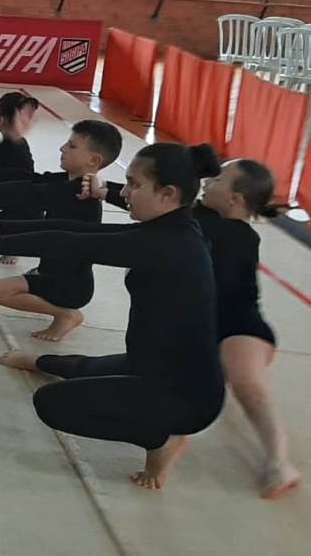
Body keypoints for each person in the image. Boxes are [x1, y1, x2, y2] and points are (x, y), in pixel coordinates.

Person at [0, 144, 226, 491]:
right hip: (149, 364)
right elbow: (75, 230)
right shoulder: (171, 230)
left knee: (54, 404)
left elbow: (74, 243)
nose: (124, 193)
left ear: (167, 194)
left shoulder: (171, 245)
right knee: (80, 368)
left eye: (133, 185)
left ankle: (162, 440)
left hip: (185, 394)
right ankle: (41, 361)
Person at [88, 159, 301, 498]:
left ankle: (279, 460)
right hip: (194, 326)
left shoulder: (238, 236)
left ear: (236, 199)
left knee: (249, 387)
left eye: (218, 179)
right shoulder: (195, 219)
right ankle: (175, 435)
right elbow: (161, 208)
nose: (207, 182)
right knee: (165, 380)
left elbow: (170, 214)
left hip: (238, 326)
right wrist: (109, 192)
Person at [0, 120, 122, 340]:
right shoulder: (72, 183)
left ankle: (65, 314)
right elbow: (25, 178)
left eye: (72, 146)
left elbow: (29, 192)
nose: (62, 148)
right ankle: (60, 309)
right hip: (51, 272)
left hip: (69, 286)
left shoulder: (79, 193)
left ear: (94, 160)